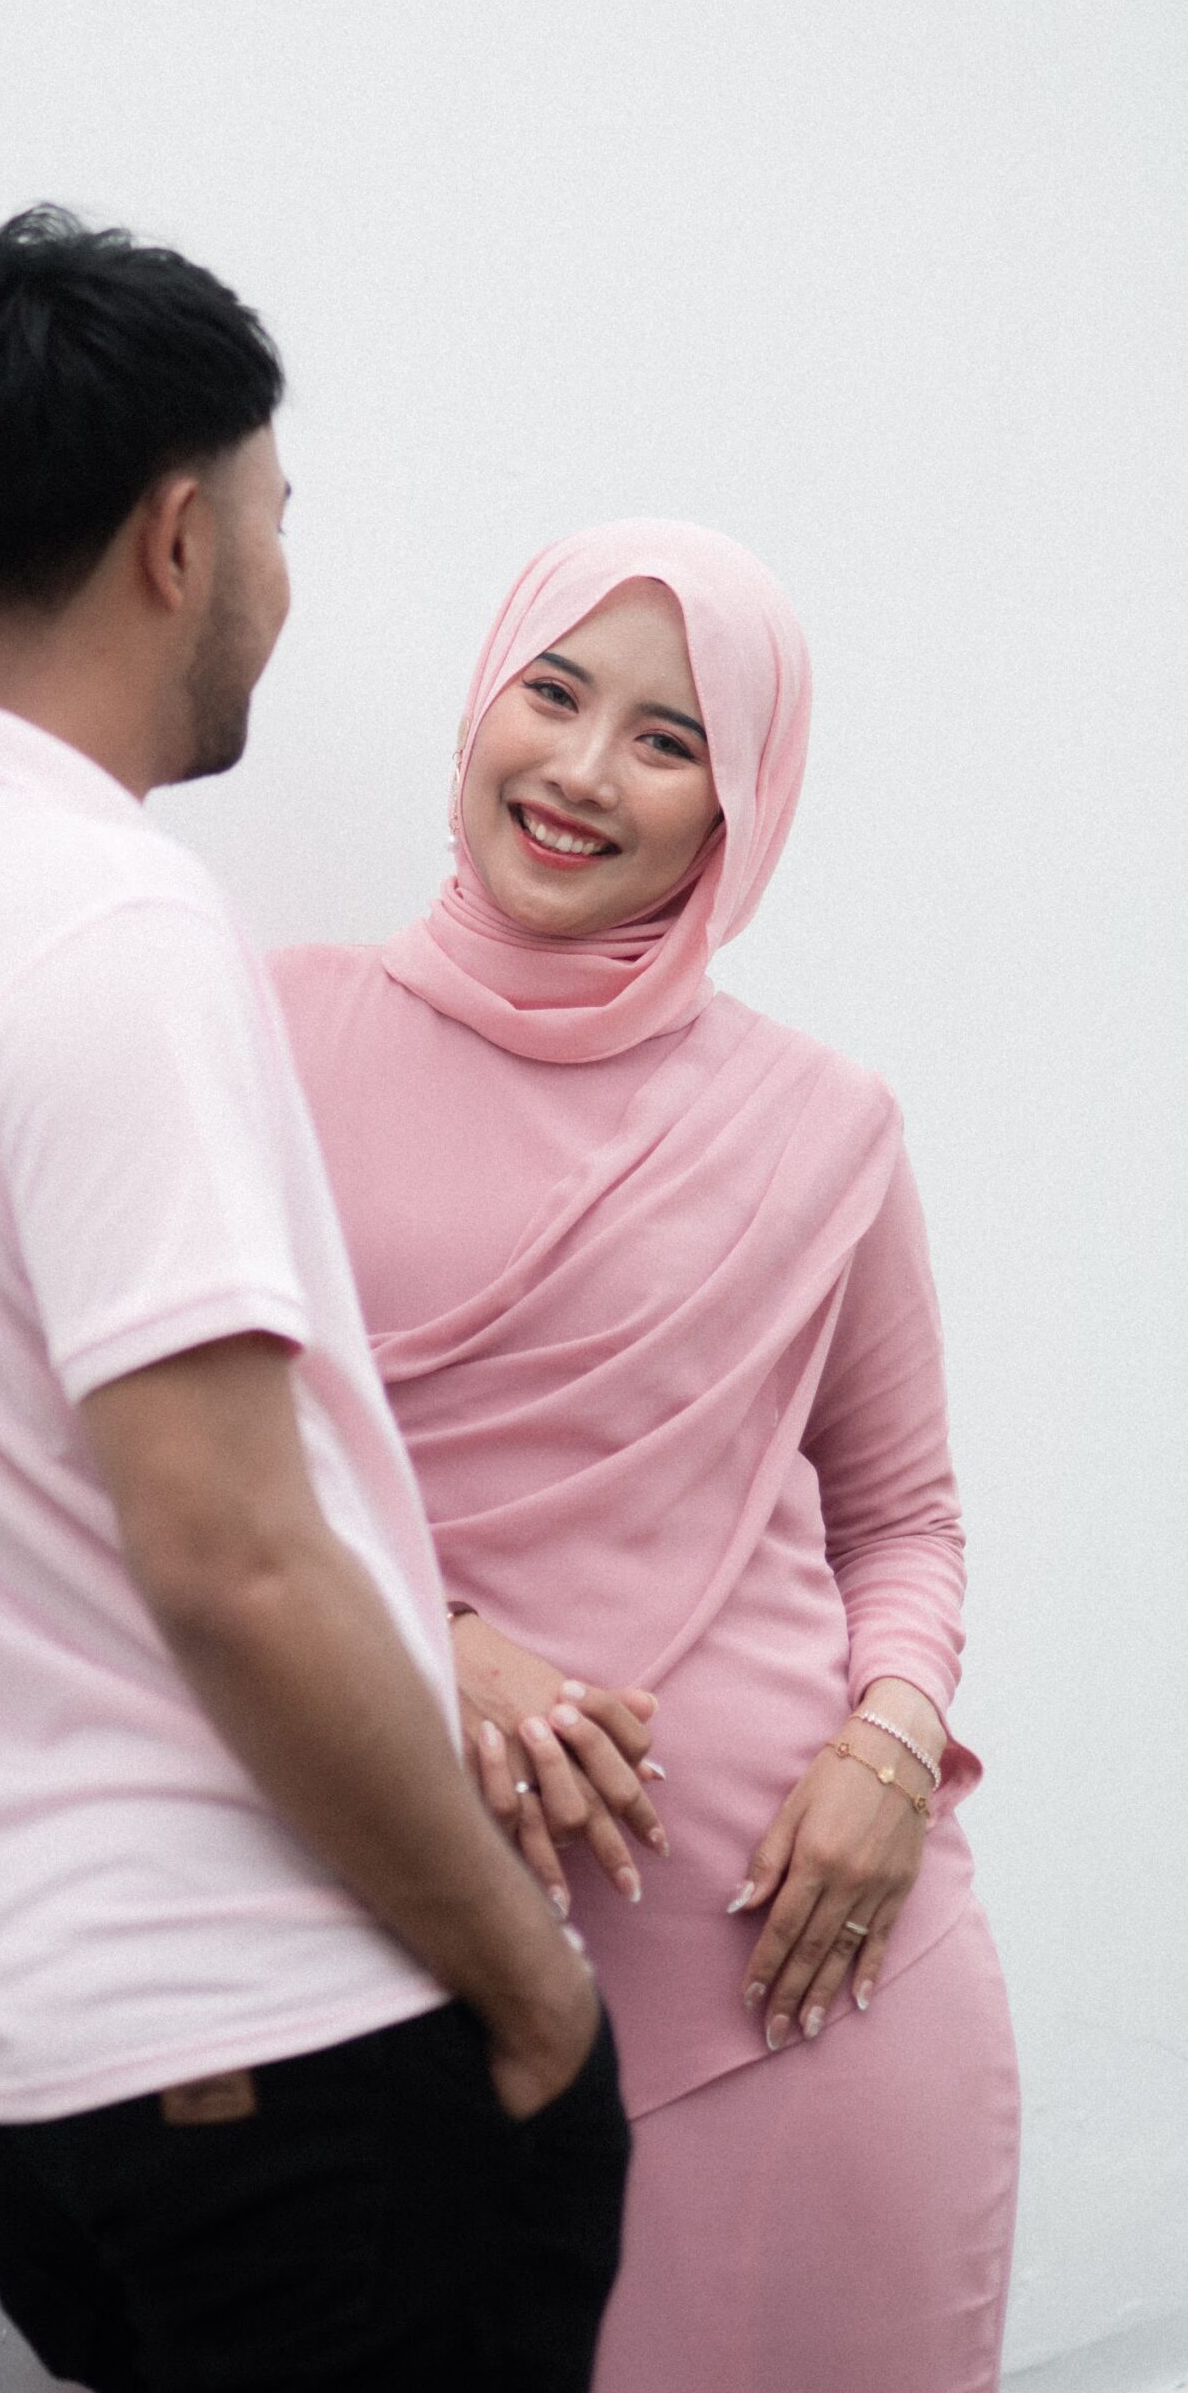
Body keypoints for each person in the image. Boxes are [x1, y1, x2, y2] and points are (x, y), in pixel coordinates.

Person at [0, 209, 629, 2393]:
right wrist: (529, 1988)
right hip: (277, 2044)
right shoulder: (104, 922)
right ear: (176, 538)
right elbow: (231, 1553)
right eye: (277, 519)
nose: (283, 583)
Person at [271, 519, 1021, 2393]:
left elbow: (901, 1516)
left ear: (734, 812)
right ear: (481, 705)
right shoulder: (263, 1041)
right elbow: (184, 1487)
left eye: (668, 740)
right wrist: (434, 1636)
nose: (583, 772)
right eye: (553, 693)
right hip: (423, 1969)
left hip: (813, 1970)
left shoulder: (822, 1122)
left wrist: (891, 1752)